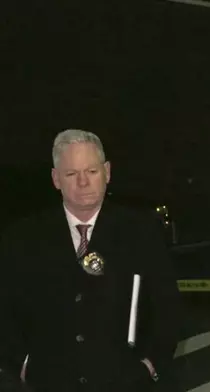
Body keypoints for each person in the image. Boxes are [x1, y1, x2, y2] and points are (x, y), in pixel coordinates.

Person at [0, 129, 181, 392]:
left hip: (125, 383)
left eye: (92, 172)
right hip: (46, 384)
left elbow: (168, 307)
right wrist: (20, 365)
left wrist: (149, 365)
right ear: (56, 179)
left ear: (107, 172)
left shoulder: (141, 231)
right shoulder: (22, 237)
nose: (83, 182)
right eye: (72, 174)